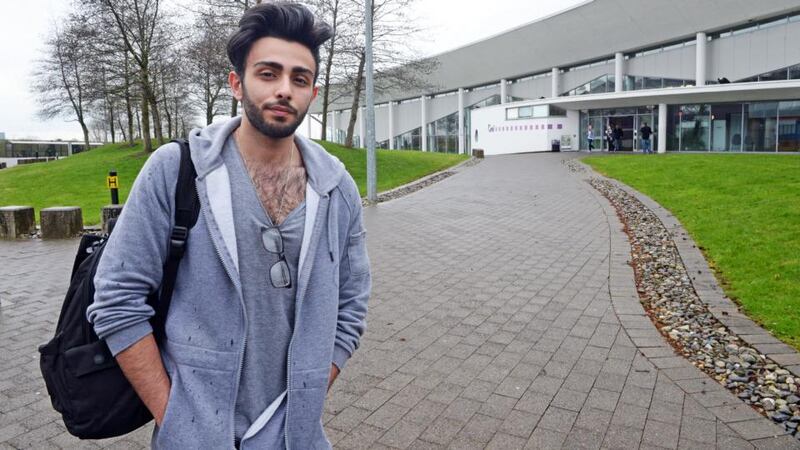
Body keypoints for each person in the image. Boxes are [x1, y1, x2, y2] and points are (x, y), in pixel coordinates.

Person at [87, 3, 371, 449]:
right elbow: (117, 299)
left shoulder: (337, 189)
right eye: (268, 73)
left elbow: (351, 305)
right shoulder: (177, 170)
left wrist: (310, 389)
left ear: (313, 93)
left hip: (298, 437)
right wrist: (178, 420)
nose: (284, 89)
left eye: (299, 79)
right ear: (236, 83)